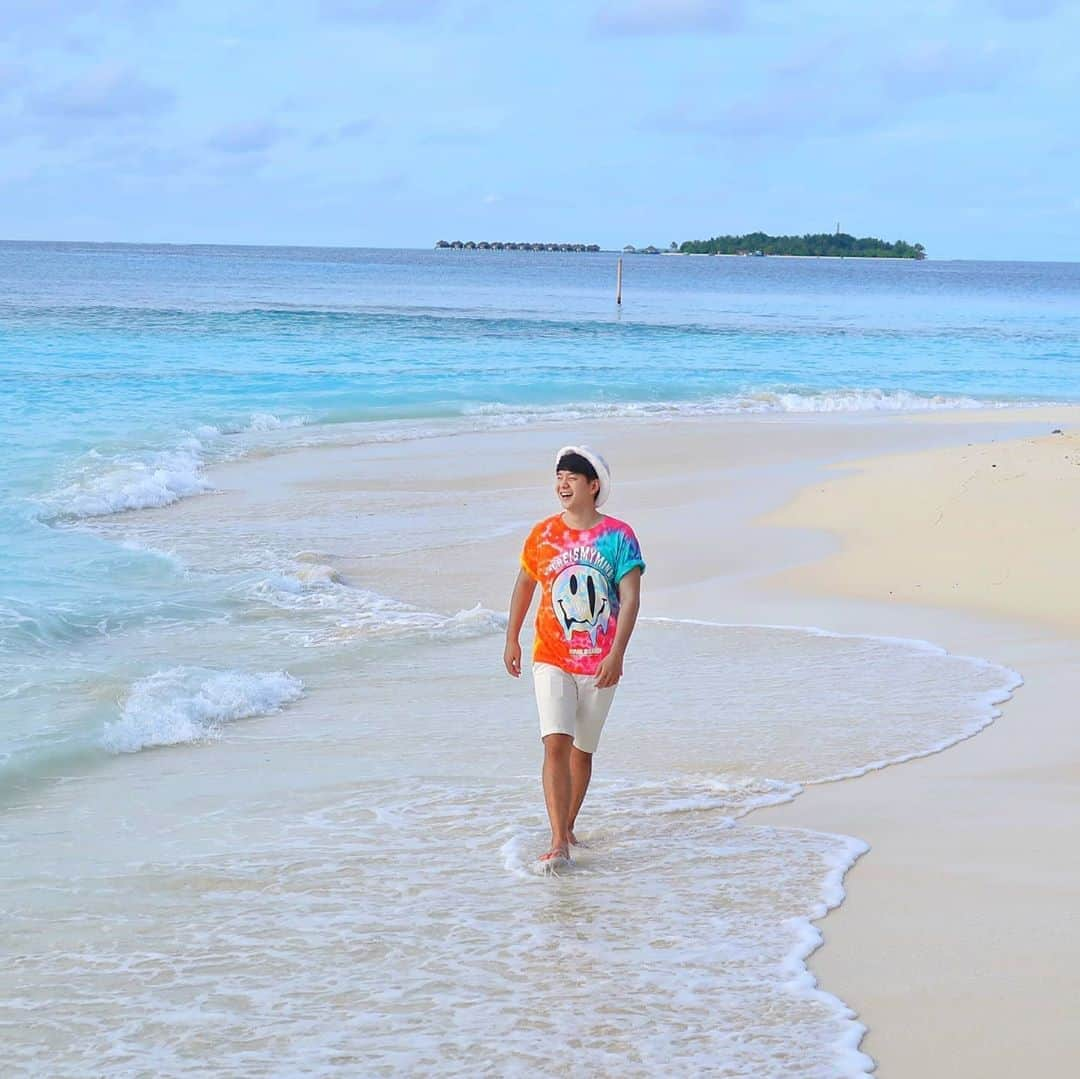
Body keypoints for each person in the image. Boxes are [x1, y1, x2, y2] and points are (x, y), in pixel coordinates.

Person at [503, 445, 645, 867]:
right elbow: (525, 584)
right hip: (551, 654)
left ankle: (567, 827)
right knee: (555, 743)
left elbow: (631, 597)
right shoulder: (543, 533)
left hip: (600, 661)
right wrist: (511, 638)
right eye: (558, 477)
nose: (562, 484)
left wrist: (617, 654)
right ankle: (557, 840)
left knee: (582, 751)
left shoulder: (619, 536)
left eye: (571, 478)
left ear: (593, 485)